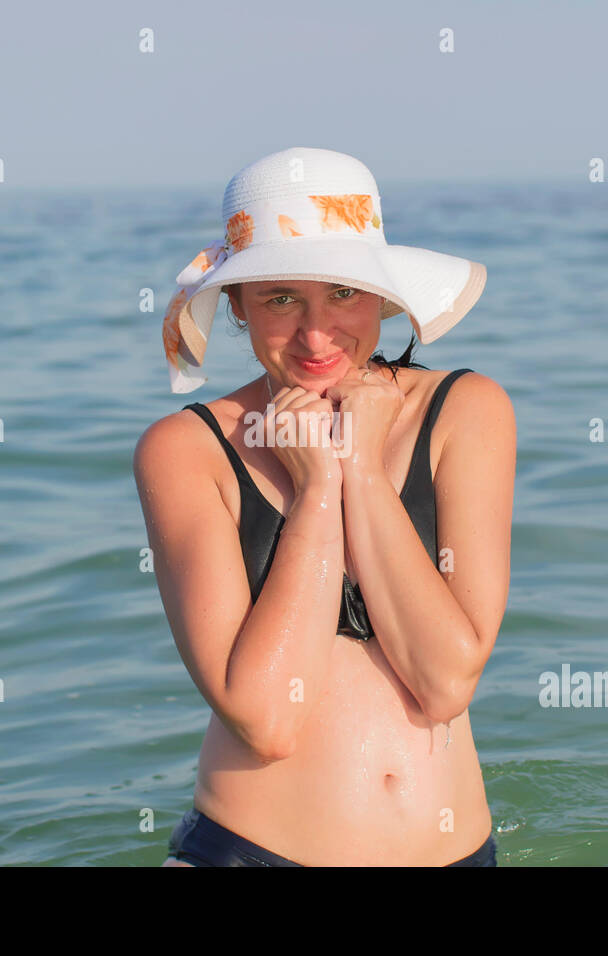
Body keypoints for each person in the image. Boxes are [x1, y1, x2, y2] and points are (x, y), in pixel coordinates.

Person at [134, 147, 516, 866]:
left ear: (384, 295)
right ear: (239, 307)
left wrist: (364, 469)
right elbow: (268, 719)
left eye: (343, 293)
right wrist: (316, 491)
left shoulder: (468, 412)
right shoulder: (187, 451)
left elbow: (444, 682)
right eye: (281, 298)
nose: (316, 335)